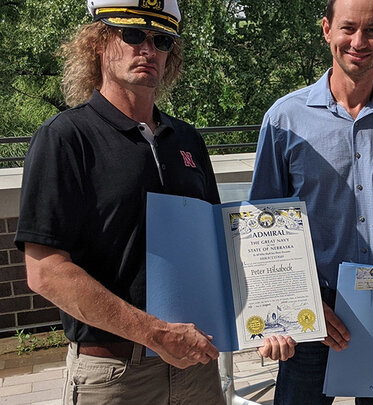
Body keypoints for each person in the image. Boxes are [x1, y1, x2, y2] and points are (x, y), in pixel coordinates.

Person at [14, 1, 226, 403]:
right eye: (131, 34)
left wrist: (270, 318)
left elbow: (219, 246)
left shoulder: (188, 140)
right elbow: (45, 272)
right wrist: (156, 334)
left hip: (197, 369)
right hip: (114, 375)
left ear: (170, 55)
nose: (146, 49)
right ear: (98, 43)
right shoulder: (65, 137)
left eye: (161, 39)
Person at [249, 0, 373, 403]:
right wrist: (297, 304)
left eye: (372, 30)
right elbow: (262, 233)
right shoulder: (285, 120)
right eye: (348, 28)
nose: (359, 41)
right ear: (326, 30)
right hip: (310, 319)